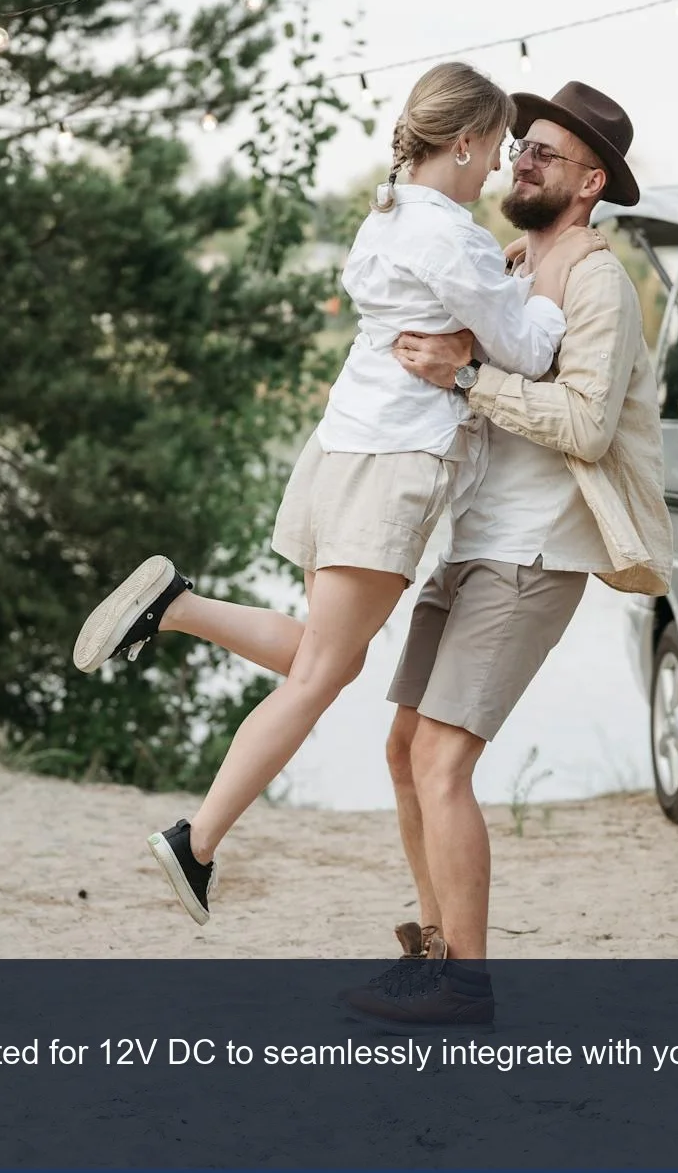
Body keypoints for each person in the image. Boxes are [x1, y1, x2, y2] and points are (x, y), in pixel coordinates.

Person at [69, 62, 606, 926]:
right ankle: (195, 841)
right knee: (322, 672)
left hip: (335, 454)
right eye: (495, 148)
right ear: (462, 142)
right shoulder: (456, 238)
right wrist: (550, 271)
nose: (497, 168)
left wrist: (501, 283)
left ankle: (177, 607)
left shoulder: (382, 221)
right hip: (391, 467)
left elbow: (466, 317)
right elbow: (533, 348)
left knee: (326, 656)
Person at [340, 81, 673, 1030]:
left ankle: (465, 983)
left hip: (535, 550)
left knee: (442, 758)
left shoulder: (598, 282)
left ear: (591, 182)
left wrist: (469, 373)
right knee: (404, 747)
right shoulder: (513, 261)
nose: (519, 160)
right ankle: (433, 953)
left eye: (544, 154)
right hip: (473, 537)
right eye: (520, 146)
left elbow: (587, 423)